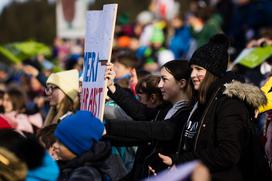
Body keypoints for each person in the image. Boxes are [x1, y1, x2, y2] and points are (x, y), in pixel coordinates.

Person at [158, 34, 271, 180]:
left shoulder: (230, 102)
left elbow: (228, 154)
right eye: (192, 69)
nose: (193, 75)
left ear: (213, 72)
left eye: (199, 69)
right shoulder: (201, 100)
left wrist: (180, 160)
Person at [104, 60, 193, 180]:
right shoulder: (166, 109)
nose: (160, 85)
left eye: (164, 79)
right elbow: (140, 112)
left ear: (181, 83)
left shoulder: (187, 114)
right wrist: (111, 85)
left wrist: (106, 128)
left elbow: (152, 130)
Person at [52, 110, 126, 180]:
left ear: (78, 147)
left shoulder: (86, 175)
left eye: (61, 142)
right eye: (57, 140)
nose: (55, 145)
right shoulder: (69, 165)